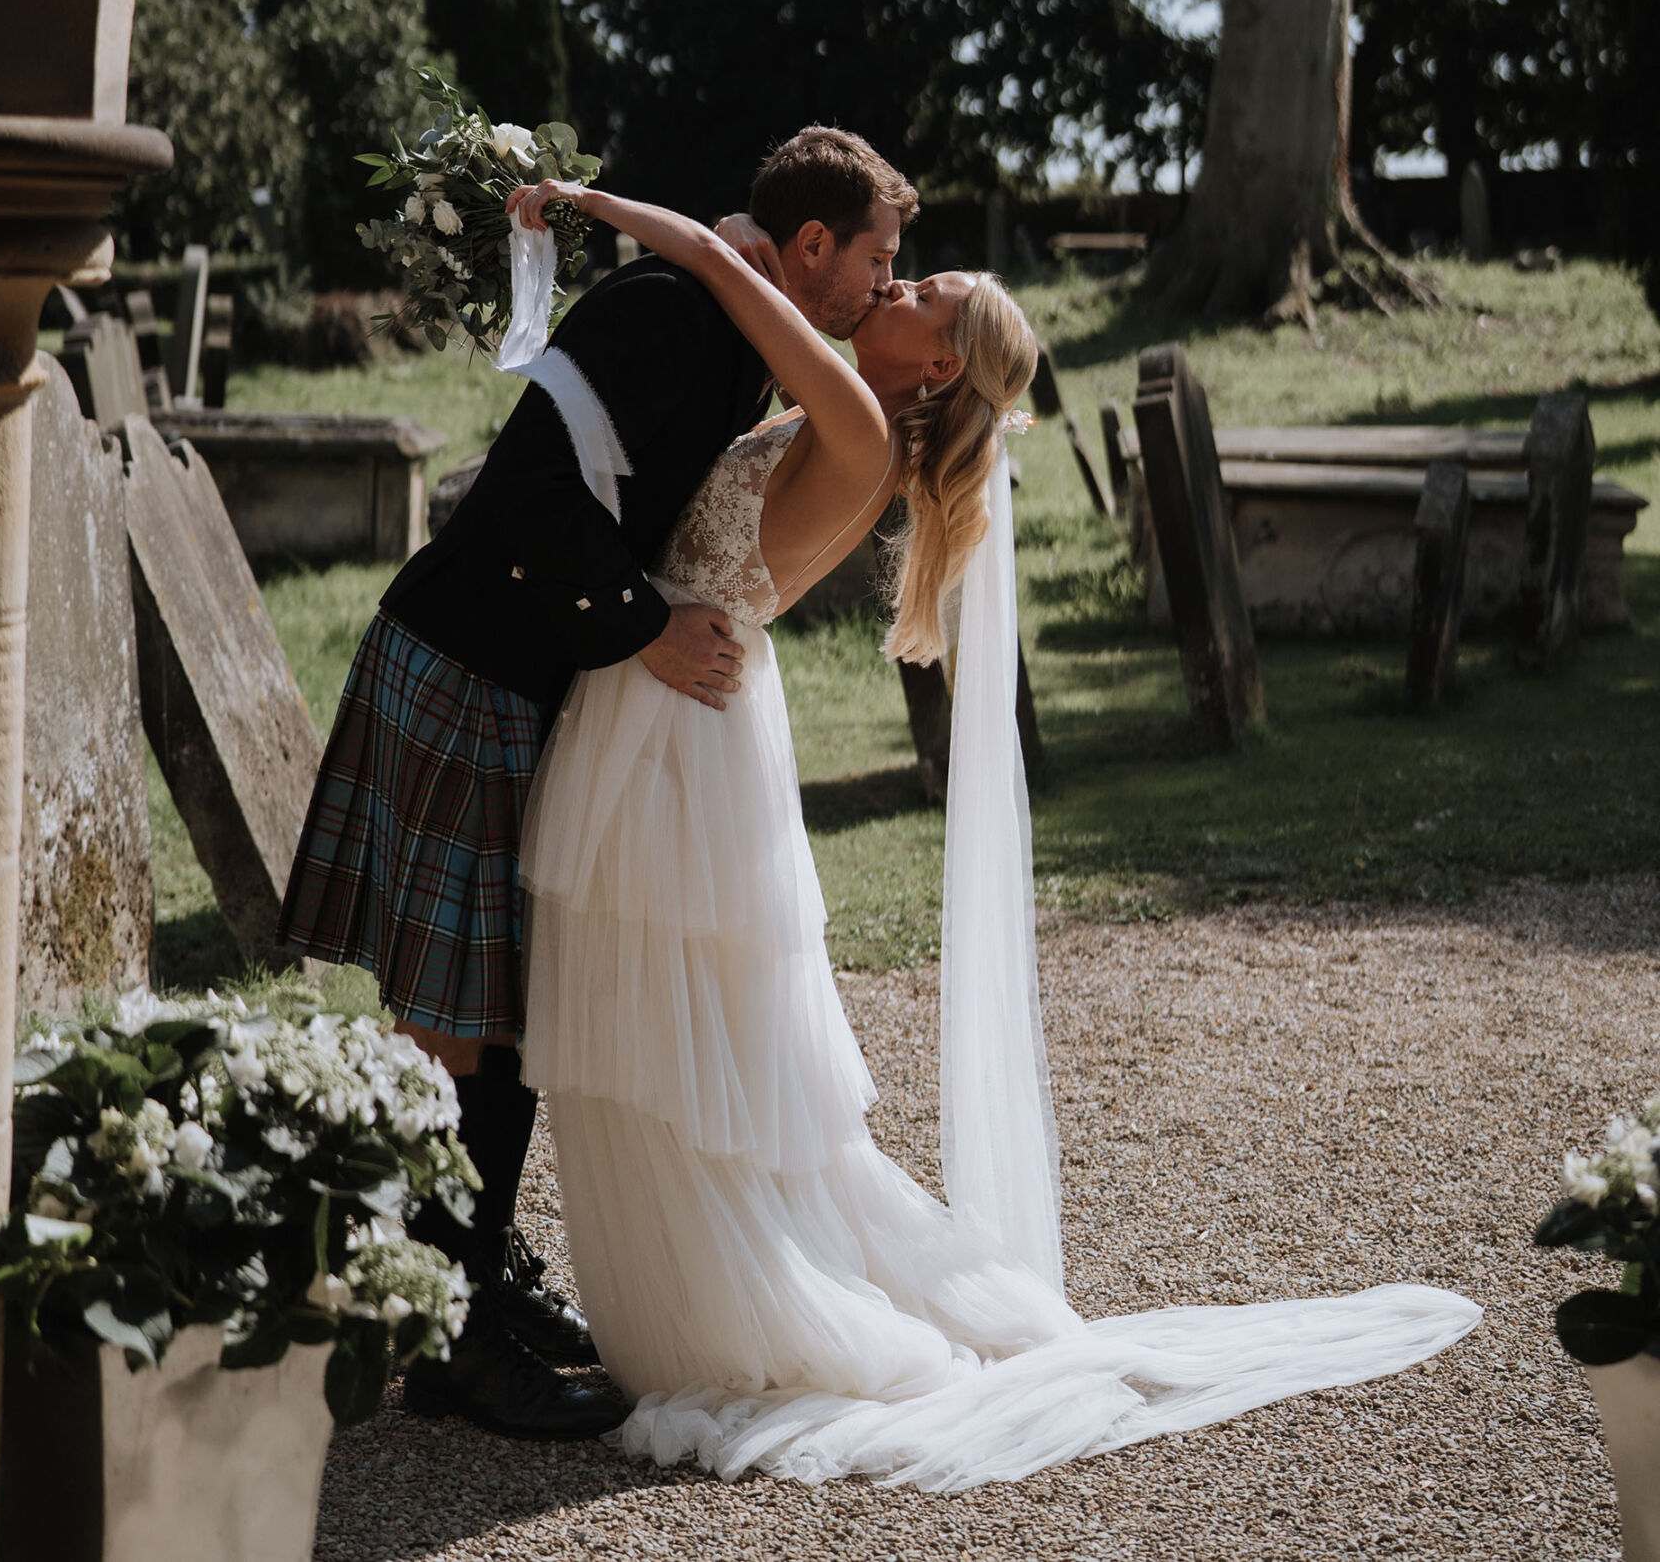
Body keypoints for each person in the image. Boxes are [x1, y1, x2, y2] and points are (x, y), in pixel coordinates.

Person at [510, 174, 1481, 1490]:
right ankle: (697, 1293)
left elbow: (724, 267)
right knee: (676, 1045)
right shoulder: (853, 422)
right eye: (902, 273)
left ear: (938, 365)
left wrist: (572, 194)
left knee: (679, 1052)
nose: (893, 289)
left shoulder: (853, 417)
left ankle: (732, 1311)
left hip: (676, 731)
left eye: (921, 294)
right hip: (676, 709)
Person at [276, 126, 917, 1437]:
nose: (879, 285)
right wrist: (640, 622)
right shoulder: (674, 316)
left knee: (495, 1017)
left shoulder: (731, 330)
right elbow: (519, 493)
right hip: (468, 663)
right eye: (875, 260)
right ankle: (433, 1330)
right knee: (465, 1023)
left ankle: (464, 1282)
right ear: (809, 247)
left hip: (515, 676)